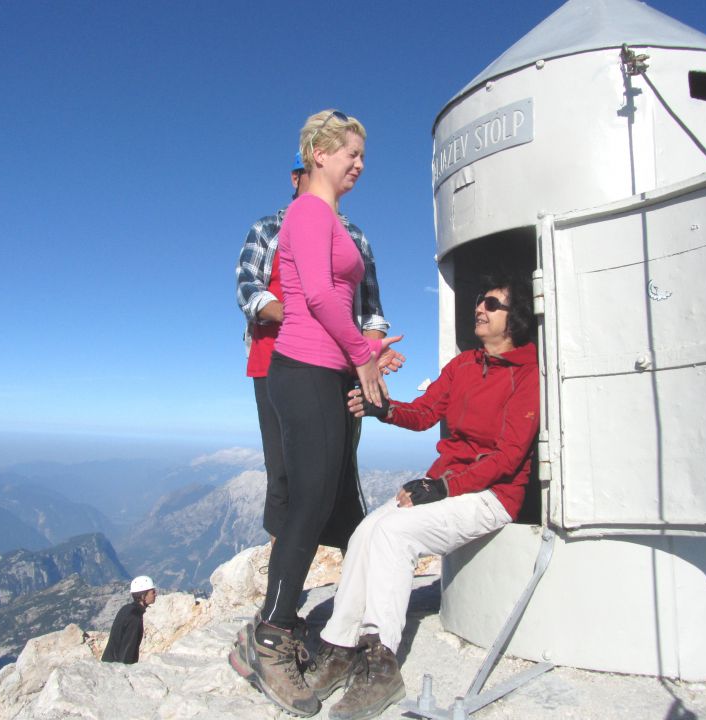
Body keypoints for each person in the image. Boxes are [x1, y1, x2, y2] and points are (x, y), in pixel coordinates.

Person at [303, 274, 540, 720]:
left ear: (517, 319)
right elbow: (428, 412)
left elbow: (509, 456)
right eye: (478, 301)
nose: (480, 308)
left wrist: (444, 487)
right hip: (448, 484)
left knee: (394, 535)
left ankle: (382, 663)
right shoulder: (464, 365)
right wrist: (385, 410)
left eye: (492, 303)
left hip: (492, 495)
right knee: (367, 530)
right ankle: (338, 646)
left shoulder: (528, 375)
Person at [229, 110, 400, 717]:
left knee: (339, 505)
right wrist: (364, 358)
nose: (359, 164)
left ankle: (343, 633)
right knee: (305, 501)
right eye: (350, 152)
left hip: (326, 371)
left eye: (362, 155)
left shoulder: (337, 224)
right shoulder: (305, 213)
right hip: (303, 370)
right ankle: (268, 638)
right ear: (319, 154)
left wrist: (369, 353)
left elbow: (355, 303)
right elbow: (322, 299)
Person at [235, 152, 394, 544]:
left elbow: (372, 312)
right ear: (297, 178)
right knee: (282, 470)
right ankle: (282, 571)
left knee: (338, 468)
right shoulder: (268, 228)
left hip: (339, 365)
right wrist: (301, 320)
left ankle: (345, 570)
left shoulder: (354, 237)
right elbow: (248, 290)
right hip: (273, 363)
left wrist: (368, 359)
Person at [100, 575, 157, 664]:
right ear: (143, 596)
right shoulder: (135, 617)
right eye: (153, 592)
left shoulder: (126, 608)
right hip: (117, 667)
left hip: (109, 661)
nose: (155, 594)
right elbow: (129, 647)